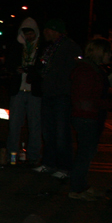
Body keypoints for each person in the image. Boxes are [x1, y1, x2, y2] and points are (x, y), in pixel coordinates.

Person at [33, 19, 81, 179]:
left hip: (62, 95)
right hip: (49, 93)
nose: (45, 32)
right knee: (48, 131)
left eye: (47, 29)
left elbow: (72, 71)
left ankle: (64, 166)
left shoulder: (69, 47)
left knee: (62, 133)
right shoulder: (50, 47)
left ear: (55, 30)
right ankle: (49, 163)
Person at [68, 39, 111, 201]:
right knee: (85, 153)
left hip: (87, 115)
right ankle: (77, 189)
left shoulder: (91, 69)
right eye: (107, 52)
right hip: (86, 116)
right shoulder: (87, 71)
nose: (109, 56)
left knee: (87, 152)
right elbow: (87, 98)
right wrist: (106, 104)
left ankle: (81, 185)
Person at [6, 18, 42, 166]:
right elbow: (8, 64)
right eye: (26, 34)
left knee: (35, 125)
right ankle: (12, 155)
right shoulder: (17, 47)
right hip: (19, 90)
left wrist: (33, 70)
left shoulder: (41, 49)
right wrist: (16, 69)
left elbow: (43, 69)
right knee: (14, 124)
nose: (29, 37)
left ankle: (33, 156)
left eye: (31, 34)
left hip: (34, 91)